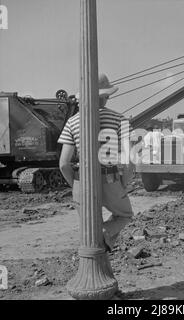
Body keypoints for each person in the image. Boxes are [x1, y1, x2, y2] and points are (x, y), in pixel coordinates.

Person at [58, 74, 134, 252]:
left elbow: (63, 163)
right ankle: (102, 235)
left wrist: (75, 184)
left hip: (80, 181)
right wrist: (123, 183)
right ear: (106, 96)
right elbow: (130, 160)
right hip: (109, 180)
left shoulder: (72, 121)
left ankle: (94, 241)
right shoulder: (119, 119)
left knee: (90, 225)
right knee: (125, 215)